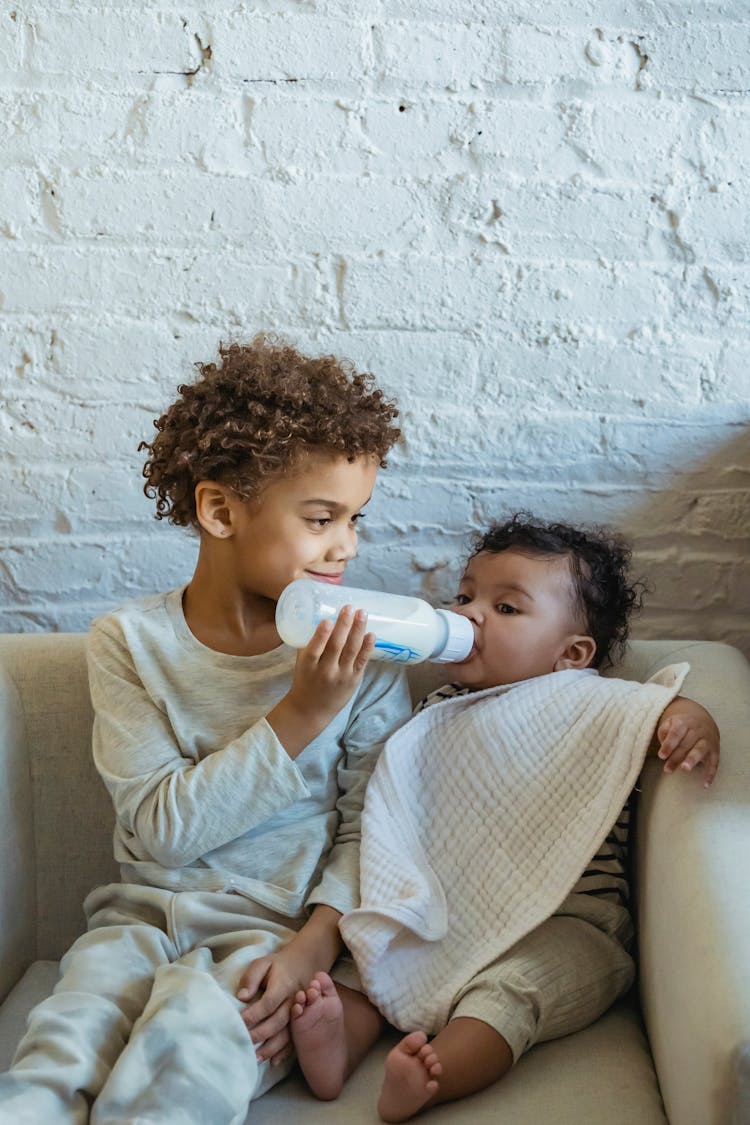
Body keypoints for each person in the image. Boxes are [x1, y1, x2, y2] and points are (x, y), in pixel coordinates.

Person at [0, 335, 413, 1124]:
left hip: (268, 940)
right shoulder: (130, 644)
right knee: (57, 1055)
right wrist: (299, 716)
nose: (348, 544)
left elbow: (374, 830)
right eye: (322, 517)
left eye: (355, 517)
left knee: (188, 1062)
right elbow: (158, 831)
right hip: (135, 923)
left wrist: (311, 949)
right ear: (220, 509)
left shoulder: (370, 655)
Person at [288, 514, 721, 1123]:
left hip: (568, 921)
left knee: (517, 992)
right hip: (445, 904)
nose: (469, 615)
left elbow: (655, 707)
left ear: (571, 654)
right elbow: (401, 807)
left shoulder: (592, 701)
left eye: (507, 608)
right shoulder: (437, 710)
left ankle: (438, 1074)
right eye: (464, 596)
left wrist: (688, 720)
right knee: (371, 945)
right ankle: (340, 1040)